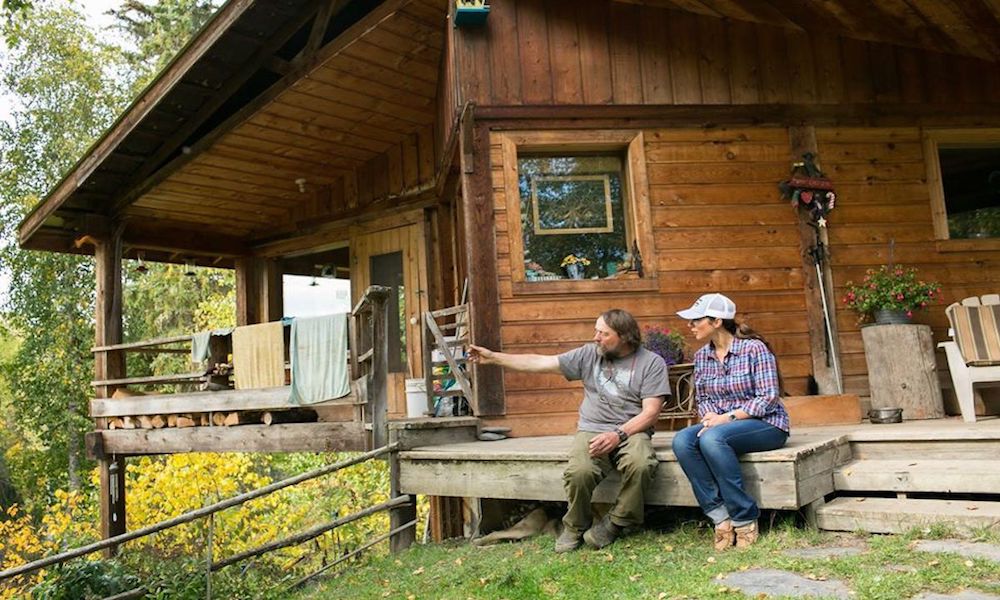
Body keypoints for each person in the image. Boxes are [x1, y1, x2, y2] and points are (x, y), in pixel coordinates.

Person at [468, 308, 670, 553]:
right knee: (579, 472)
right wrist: (494, 357)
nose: (596, 337)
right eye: (596, 331)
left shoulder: (651, 363)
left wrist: (617, 435)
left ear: (625, 336)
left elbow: (650, 413)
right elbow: (541, 362)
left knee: (642, 463)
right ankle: (575, 526)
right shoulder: (589, 354)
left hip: (631, 430)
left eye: (603, 333)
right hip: (592, 429)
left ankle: (616, 522)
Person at [670, 293, 789, 551]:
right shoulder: (702, 356)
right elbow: (703, 398)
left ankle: (744, 517)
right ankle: (720, 517)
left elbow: (768, 398)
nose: (690, 325)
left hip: (767, 424)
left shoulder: (754, 349)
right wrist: (711, 417)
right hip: (724, 426)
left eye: (695, 320)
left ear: (716, 321)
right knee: (682, 440)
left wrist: (725, 419)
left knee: (713, 438)